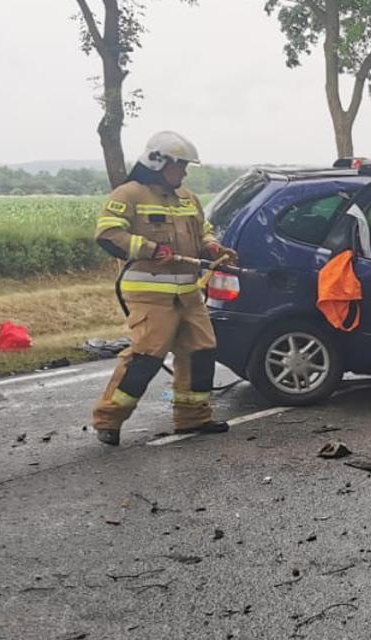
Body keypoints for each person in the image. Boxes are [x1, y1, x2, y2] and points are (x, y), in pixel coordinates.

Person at [89, 131, 233, 446]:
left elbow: (203, 229)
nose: (184, 173)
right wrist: (149, 249)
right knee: (146, 356)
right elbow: (108, 233)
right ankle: (109, 419)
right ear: (157, 162)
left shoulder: (188, 198)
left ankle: (193, 418)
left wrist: (210, 245)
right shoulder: (128, 195)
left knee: (201, 351)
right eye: (180, 166)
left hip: (188, 292)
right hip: (150, 292)